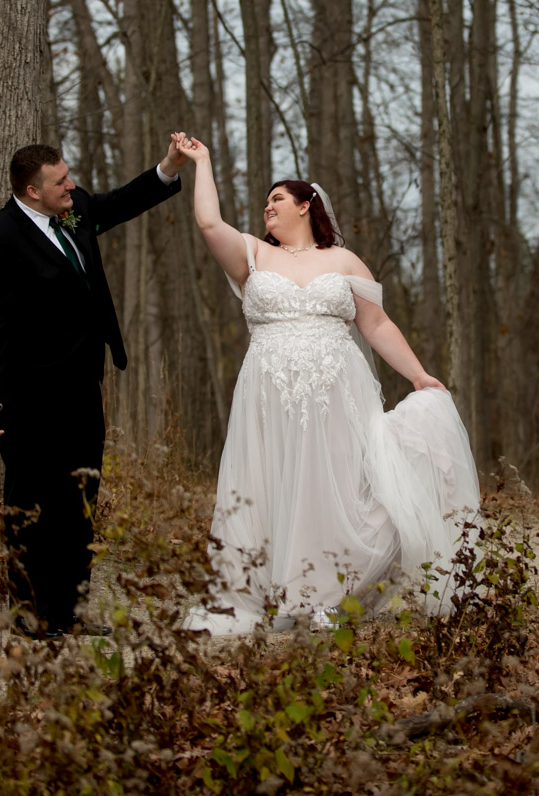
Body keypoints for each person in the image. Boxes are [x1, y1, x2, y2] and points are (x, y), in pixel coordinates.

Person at [177, 136, 479, 635]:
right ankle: (276, 593)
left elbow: (376, 324)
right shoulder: (252, 255)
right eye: (265, 202)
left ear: (305, 205)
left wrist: (419, 375)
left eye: (277, 198)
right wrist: (203, 162)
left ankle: (326, 591)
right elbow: (209, 222)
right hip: (268, 393)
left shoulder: (343, 260)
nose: (267, 207)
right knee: (274, 485)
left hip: (337, 391)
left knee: (335, 486)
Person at [0, 137, 189, 639]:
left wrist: (169, 166)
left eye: (69, 176)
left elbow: (121, 201)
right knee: (31, 503)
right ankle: (30, 613)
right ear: (31, 191)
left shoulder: (72, 210)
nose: (72, 186)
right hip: (28, 394)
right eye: (60, 181)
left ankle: (69, 610)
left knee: (79, 499)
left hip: (81, 386)